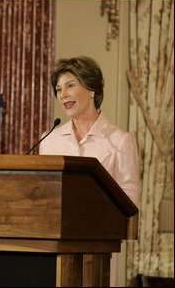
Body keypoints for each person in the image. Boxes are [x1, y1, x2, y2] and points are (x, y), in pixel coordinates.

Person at [38, 56, 140, 287]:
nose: (63, 94)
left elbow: (129, 201)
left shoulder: (120, 141)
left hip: (99, 249)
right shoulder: (49, 140)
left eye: (70, 85)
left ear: (91, 89)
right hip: (55, 248)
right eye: (58, 88)